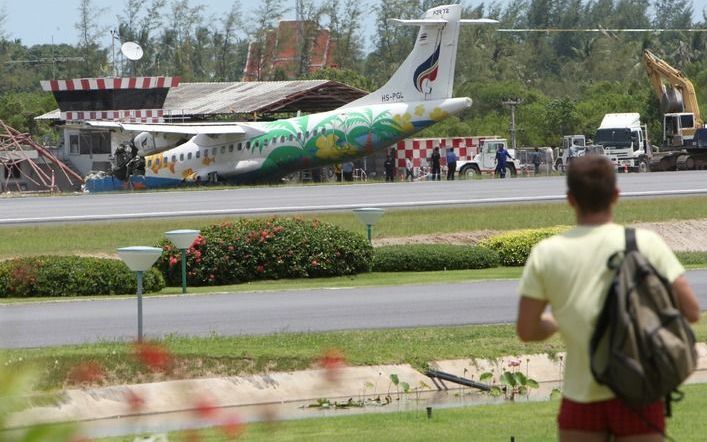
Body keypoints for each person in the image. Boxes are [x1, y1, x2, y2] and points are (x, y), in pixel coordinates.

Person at [516, 156, 700, 442]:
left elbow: (527, 331)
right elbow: (691, 311)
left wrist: (556, 322)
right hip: (638, 392)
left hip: (581, 399)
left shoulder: (547, 253)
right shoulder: (644, 243)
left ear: (570, 199)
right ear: (616, 195)